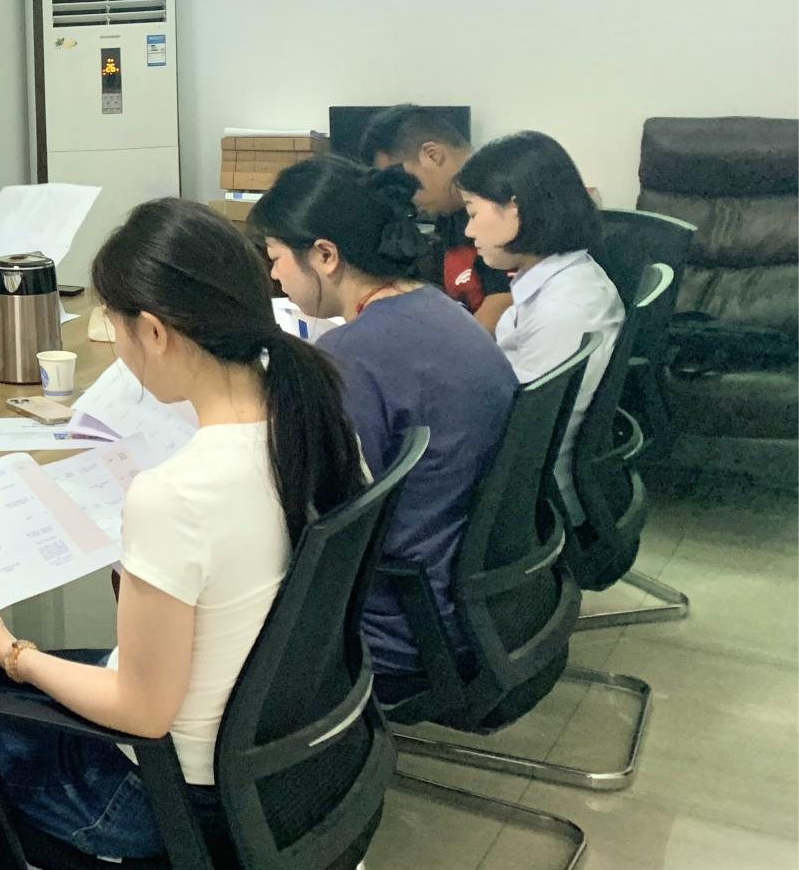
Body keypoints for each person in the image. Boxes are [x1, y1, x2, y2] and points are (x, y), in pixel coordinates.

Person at [0, 198, 367, 870]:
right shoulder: (313, 418)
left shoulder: (178, 492)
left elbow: (141, 711)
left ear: (153, 331)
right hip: (287, 759)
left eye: (116, 327)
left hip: (161, 799)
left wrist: (5, 644)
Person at [251, 158, 518, 686]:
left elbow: (322, 520)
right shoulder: (444, 309)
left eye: (275, 257)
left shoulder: (350, 357)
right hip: (479, 596)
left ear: (325, 255)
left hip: (402, 627)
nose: (274, 275)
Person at [457, 131, 624, 524]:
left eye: (473, 212)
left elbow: (521, 432)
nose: (468, 231)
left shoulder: (563, 308)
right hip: (522, 478)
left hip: (527, 503)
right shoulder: (561, 279)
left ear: (515, 208)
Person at [360, 104, 513, 331]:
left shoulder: (501, 202)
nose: (402, 194)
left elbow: (503, 303)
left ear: (432, 155)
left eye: (401, 180)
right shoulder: (449, 212)